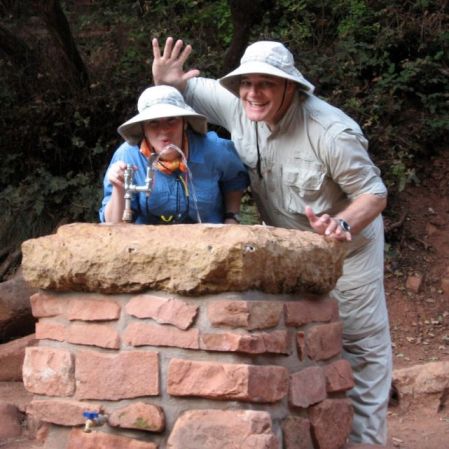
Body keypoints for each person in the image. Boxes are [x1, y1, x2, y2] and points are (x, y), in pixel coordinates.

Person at [151, 37, 392, 445]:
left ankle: (364, 442)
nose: (253, 92)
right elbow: (181, 90)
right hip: (287, 252)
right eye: (247, 82)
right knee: (292, 346)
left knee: (359, 350)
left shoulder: (331, 131)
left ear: (290, 87)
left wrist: (341, 225)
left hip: (346, 252)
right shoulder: (238, 105)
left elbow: (374, 193)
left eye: (266, 83)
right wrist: (168, 81)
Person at [99, 85, 249, 225]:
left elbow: (235, 178)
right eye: (153, 122)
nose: (164, 130)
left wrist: (231, 215)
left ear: (184, 123)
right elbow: (112, 226)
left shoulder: (214, 149)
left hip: (209, 239)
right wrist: (119, 188)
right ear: (143, 128)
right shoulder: (127, 157)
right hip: (149, 244)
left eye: (172, 120)